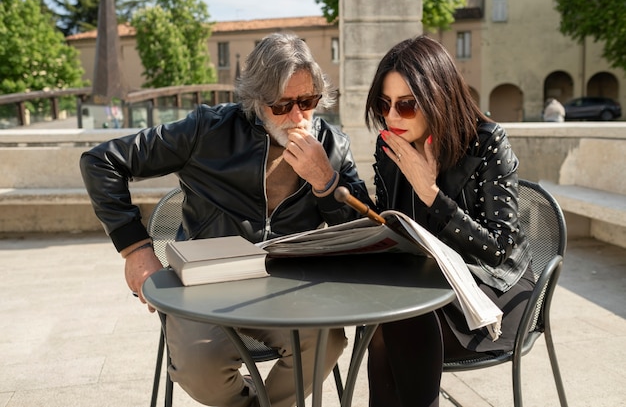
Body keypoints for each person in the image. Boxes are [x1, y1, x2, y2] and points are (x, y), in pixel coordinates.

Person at [80, 32, 372, 407]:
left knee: (327, 342)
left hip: (288, 290)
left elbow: (364, 229)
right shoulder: (207, 131)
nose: (298, 116)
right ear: (256, 101)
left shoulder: (333, 146)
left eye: (308, 101)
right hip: (206, 289)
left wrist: (325, 181)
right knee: (200, 368)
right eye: (282, 105)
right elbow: (101, 161)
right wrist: (135, 249)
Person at [363, 35, 535, 407]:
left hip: (495, 295)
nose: (392, 117)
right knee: (388, 319)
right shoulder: (390, 144)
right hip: (426, 288)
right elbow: (390, 224)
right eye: (384, 104)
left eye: (406, 105)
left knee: (395, 323)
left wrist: (431, 196)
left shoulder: (487, 142)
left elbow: (498, 249)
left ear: (437, 98)